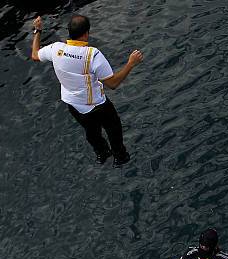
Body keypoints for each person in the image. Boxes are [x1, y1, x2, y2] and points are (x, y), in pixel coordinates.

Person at [30, 15, 144, 166]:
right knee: (113, 128)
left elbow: (34, 55)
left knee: (91, 132)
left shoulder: (56, 49)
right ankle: (120, 157)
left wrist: (37, 31)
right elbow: (113, 84)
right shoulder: (93, 55)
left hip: (74, 105)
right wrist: (131, 63)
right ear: (86, 33)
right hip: (98, 105)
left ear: (69, 32)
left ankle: (102, 154)